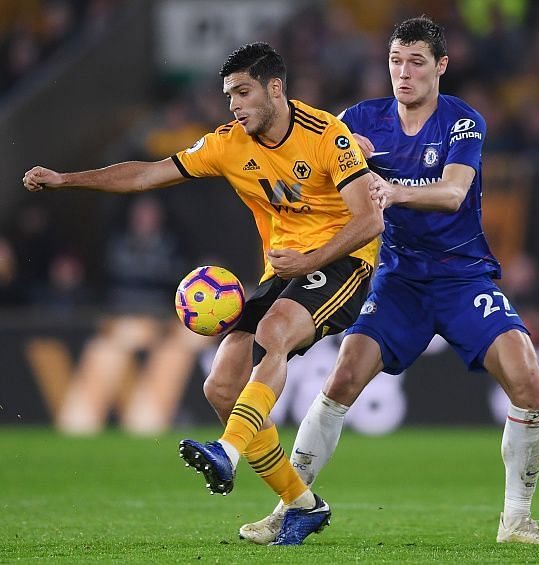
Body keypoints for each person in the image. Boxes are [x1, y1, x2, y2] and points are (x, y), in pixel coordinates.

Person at [23, 42, 384, 545]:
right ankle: (303, 504)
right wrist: (68, 179)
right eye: (227, 95)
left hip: (344, 262)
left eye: (242, 92)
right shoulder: (227, 144)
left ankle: (228, 452)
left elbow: (370, 219)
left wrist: (310, 259)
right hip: (283, 269)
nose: (233, 105)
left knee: (276, 330)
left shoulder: (328, 135)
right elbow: (148, 173)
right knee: (220, 385)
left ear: (275, 88)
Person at [240, 17, 539, 545]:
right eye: (395, 60)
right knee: (342, 379)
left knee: (528, 380)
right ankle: (287, 508)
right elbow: (320, 178)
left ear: (440, 66)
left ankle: (517, 520)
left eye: (416, 61)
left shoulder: (463, 122)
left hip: (463, 278)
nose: (403, 72)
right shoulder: (357, 121)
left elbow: (453, 192)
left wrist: (386, 188)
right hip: (397, 280)